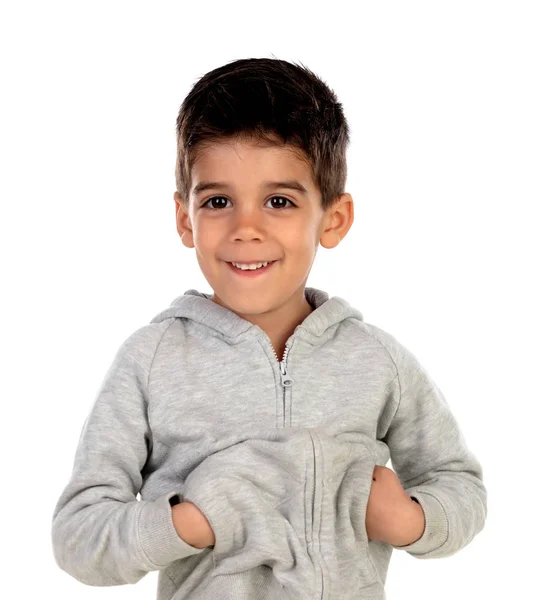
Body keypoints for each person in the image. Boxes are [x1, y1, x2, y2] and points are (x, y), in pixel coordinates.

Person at [51, 57, 487, 599]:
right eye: (218, 201)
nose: (246, 229)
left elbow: (459, 483)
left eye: (278, 201)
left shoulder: (377, 360)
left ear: (333, 219)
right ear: (186, 219)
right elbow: (78, 537)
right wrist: (186, 523)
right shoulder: (151, 360)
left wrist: (412, 521)